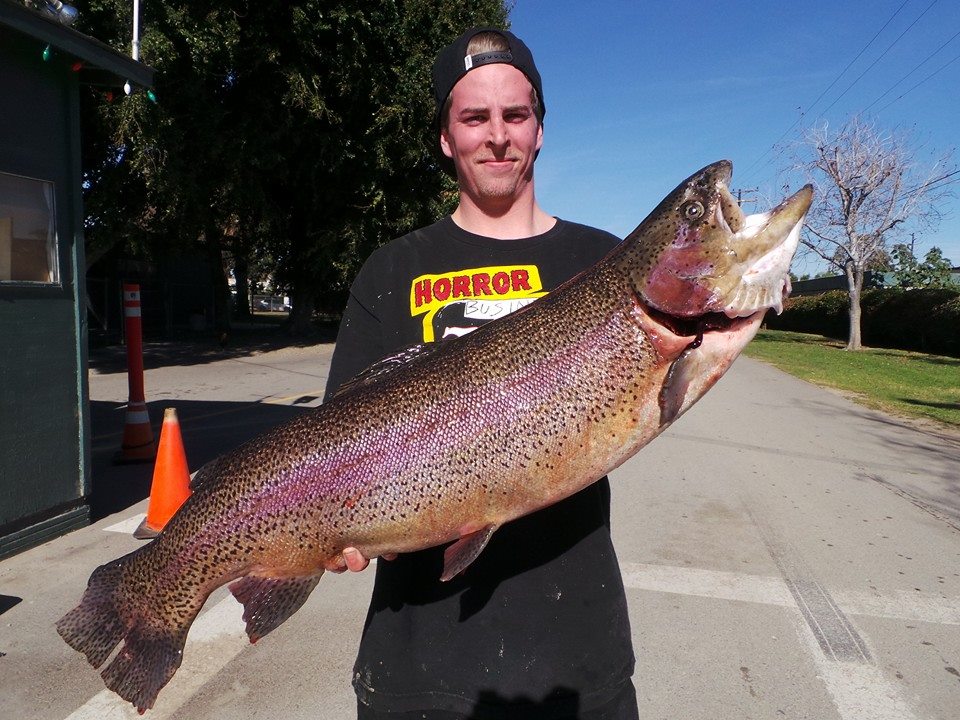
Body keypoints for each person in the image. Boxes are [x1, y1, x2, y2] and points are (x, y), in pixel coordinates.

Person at [323, 27, 637, 720]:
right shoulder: (390, 271)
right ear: (445, 137)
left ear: (540, 130)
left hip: (578, 658)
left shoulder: (606, 264)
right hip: (416, 664)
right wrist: (326, 533)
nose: (497, 135)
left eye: (515, 115)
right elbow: (336, 446)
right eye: (474, 118)